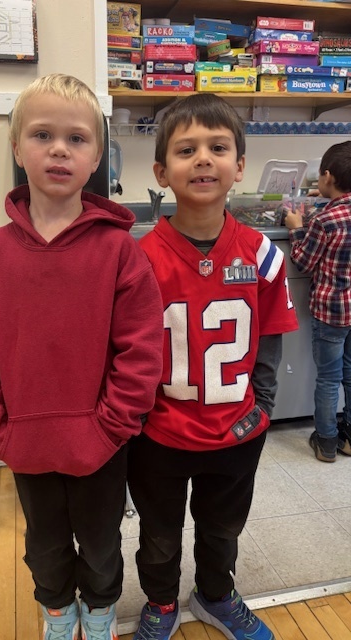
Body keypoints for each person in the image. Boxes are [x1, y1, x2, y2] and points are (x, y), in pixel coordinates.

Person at [0, 73, 164, 640]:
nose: (58, 149)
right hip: (23, 439)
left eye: (76, 139)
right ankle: (57, 613)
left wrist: (112, 426)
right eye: (42, 134)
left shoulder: (119, 251)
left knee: (101, 544)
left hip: (102, 441)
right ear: (17, 147)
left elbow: (141, 349)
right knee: (44, 545)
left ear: (97, 154)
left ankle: (99, 613)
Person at [127, 93, 298, 640]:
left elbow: (270, 339)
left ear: (239, 166)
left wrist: (263, 411)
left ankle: (216, 595)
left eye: (217, 147)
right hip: (159, 434)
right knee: (158, 533)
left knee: (222, 529)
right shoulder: (139, 259)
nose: (203, 159)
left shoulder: (261, 253)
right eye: (186, 149)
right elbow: (125, 349)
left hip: (236, 430)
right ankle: (159, 602)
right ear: (161, 171)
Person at [285, 141, 351, 463]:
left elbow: (303, 262)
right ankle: (348, 437)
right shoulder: (333, 211)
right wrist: (323, 200)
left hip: (331, 314)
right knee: (350, 373)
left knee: (328, 376)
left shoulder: (325, 220)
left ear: (326, 176)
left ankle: (325, 440)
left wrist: (296, 229)